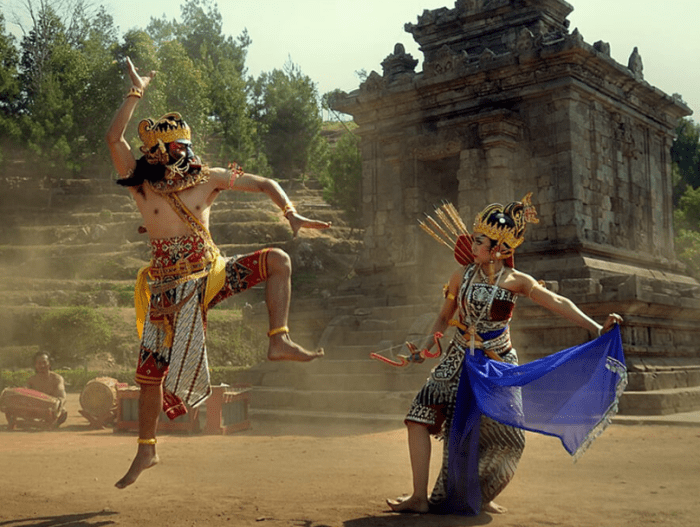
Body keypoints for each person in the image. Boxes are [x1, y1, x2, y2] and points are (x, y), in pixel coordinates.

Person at [105, 58, 330, 489]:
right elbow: (113, 138)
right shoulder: (141, 186)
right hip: (167, 290)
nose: (185, 157)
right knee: (150, 375)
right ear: (158, 154)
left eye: (187, 150)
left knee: (279, 259)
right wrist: (135, 92)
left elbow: (263, 182)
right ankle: (146, 449)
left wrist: (291, 213)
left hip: (212, 275)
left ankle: (278, 338)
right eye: (175, 151)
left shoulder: (209, 180)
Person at [386, 195, 626, 515]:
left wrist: (597, 329)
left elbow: (557, 301)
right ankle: (419, 497)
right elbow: (444, 317)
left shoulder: (517, 281)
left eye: (479, 240)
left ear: (498, 248)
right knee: (418, 417)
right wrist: (429, 344)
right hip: (458, 357)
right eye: (474, 238)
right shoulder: (462, 274)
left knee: (509, 438)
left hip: (498, 364)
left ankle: (479, 494)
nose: (472, 244)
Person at [26, 351, 68, 427]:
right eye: (39, 363)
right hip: (35, 411)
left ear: (49, 364)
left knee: (63, 412)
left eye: (44, 362)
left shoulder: (57, 379)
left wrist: (54, 407)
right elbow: (24, 395)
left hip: (52, 410)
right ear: (35, 365)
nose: (42, 365)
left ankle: (51, 422)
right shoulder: (31, 380)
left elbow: (62, 396)